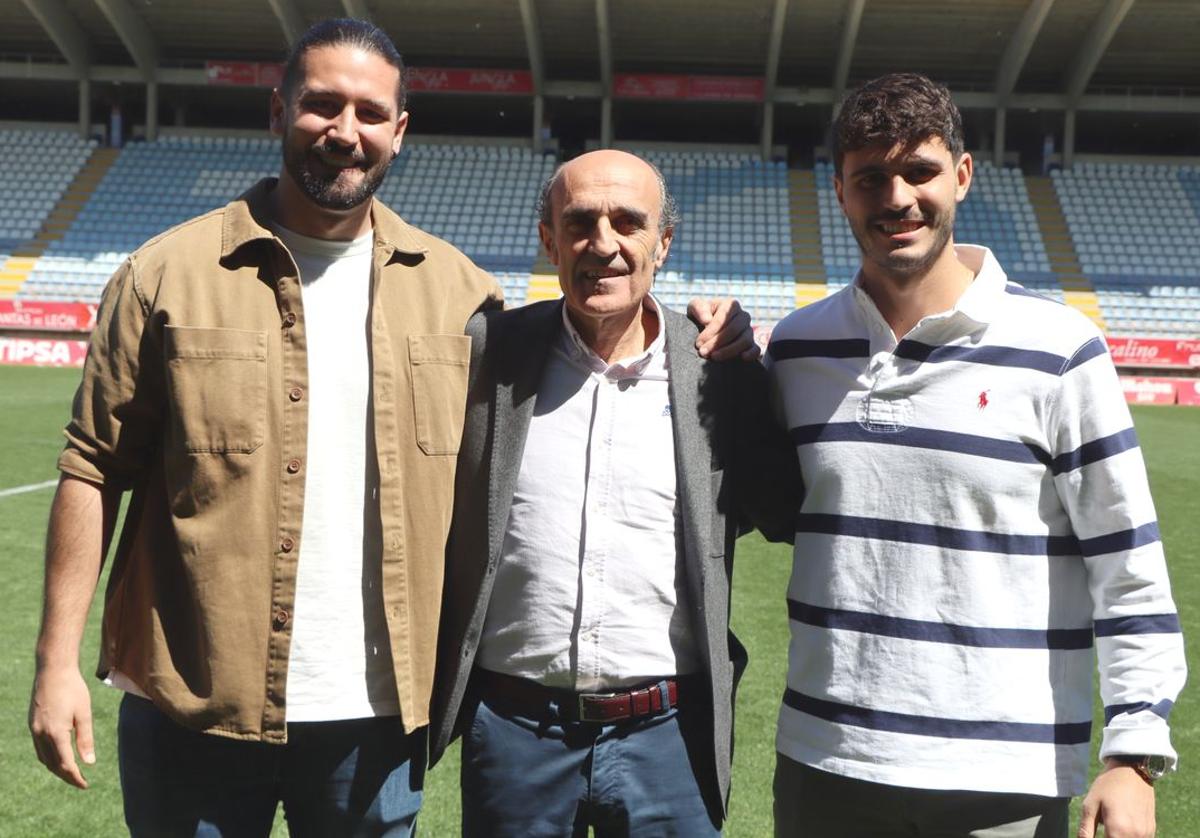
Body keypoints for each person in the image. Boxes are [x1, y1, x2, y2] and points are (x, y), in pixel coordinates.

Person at [25, 19, 752, 837]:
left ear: (399, 132)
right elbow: (92, 467)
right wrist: (56, 664)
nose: (345, 132)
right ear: (278, 111)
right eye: (321, 105)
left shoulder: (460, 297)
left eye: (369, 113)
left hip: (374, 721)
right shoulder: (164, 275)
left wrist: (718, 331)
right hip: (193, 702)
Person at [766, 72, 1186, 838]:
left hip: (1001, 777)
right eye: (870, 178)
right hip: (825, 759)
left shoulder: (1061, 348)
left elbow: (1126, 562)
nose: (896, 198)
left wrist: (1133, 752)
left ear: (961, 175)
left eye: (919, 171)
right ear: (839, 192)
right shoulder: (796, 349)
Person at [429, 149, 799, 836]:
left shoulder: (719, 371)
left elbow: (780, 510)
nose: (604, 244)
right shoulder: (490, 355)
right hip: (516, 733)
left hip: (668, 737)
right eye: (580, 222)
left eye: (628, 222)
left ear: (662, 243)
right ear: (548, 240)